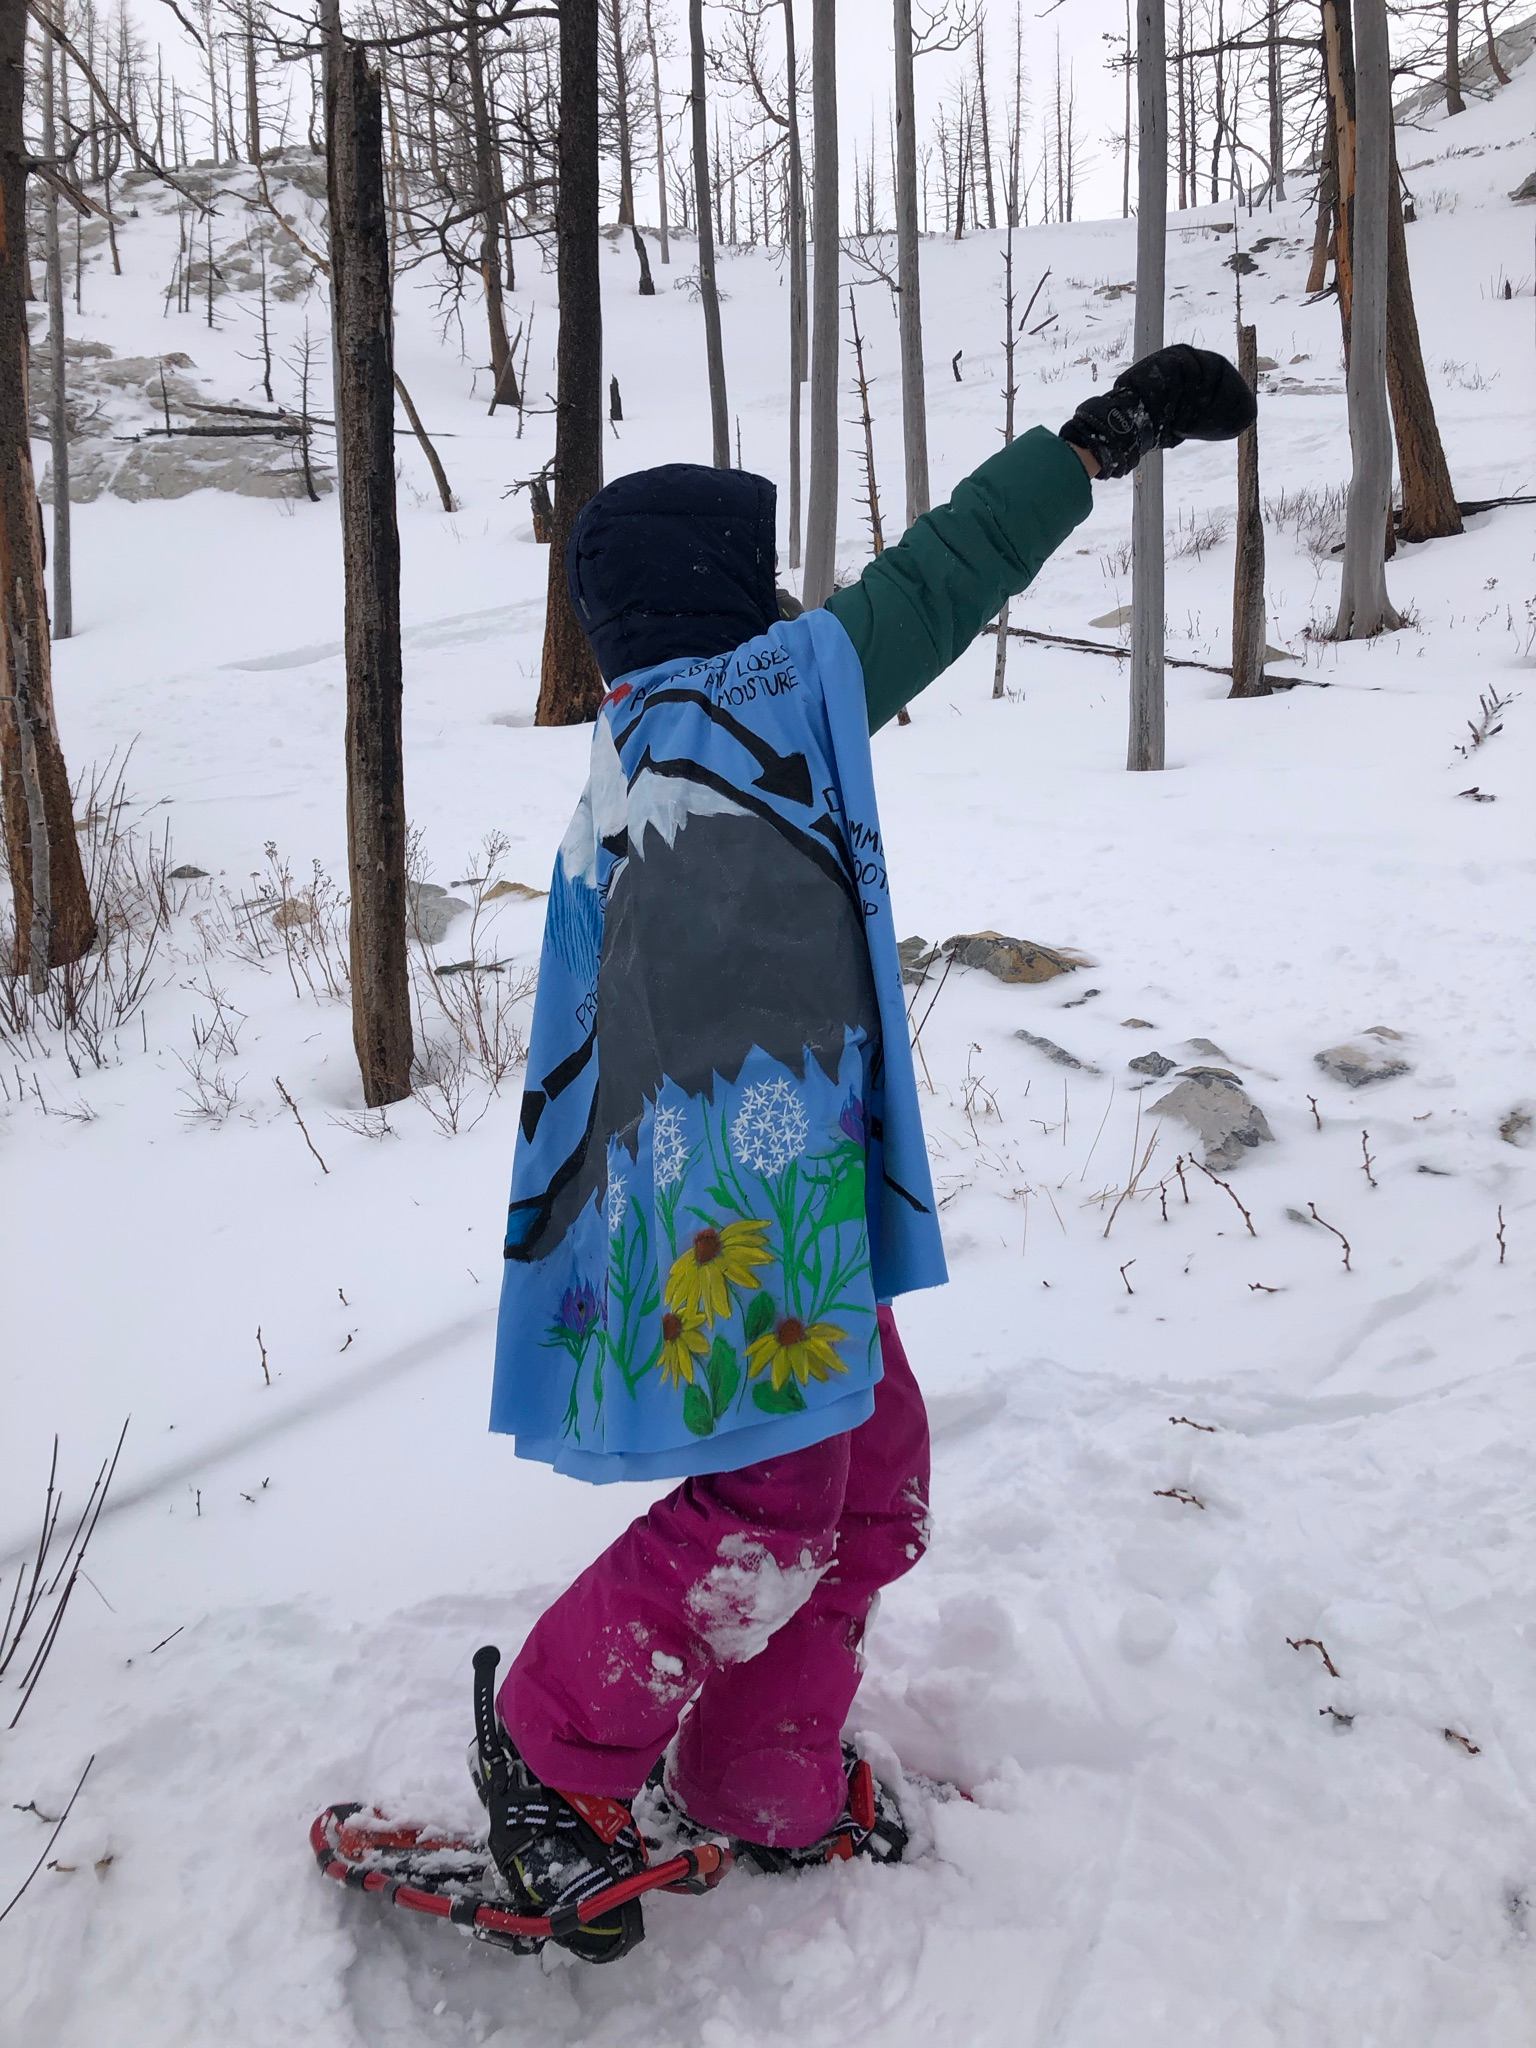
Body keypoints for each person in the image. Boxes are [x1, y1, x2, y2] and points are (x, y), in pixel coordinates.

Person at [473, 345, 1257, 1961]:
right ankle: (555, 1753)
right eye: (764, 588)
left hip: (780, 1214)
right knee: (772, 1500)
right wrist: (1100, 440)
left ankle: (762, 1769)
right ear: (736, 606)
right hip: (737, 1231)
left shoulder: (619, 767)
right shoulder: (765, 691)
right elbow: (945, 571)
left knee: (871, 1481)